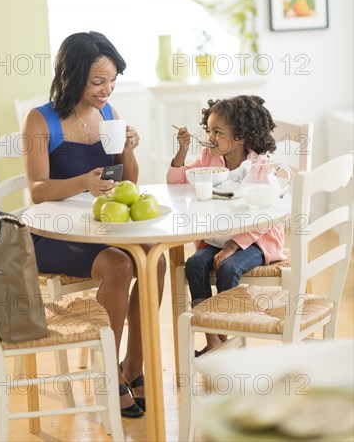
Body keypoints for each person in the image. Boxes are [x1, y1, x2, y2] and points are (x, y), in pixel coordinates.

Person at [23, 31, 166, 418]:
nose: (107, 90)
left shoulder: (108, 114)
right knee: (119, 265)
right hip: (51, 236)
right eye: (98, 82)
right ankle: (107, 372)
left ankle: (133, 367)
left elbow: (129, 183)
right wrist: (83, 183)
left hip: (98, 228)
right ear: (72, 76)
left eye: (113, 80)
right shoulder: (41, 120)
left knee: (157, 257)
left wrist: (129, 148)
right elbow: (36, 190)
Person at [167, 95, 287, 354]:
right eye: (209, 131)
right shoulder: (209, 159)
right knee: (195, 264)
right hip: (219, 236)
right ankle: (213, 336)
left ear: (240, 137)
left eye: (217, 132)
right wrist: (183, 151)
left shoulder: (259, 167)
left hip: (255, 239)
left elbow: (267, 215)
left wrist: (235, 244)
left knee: (228, 268)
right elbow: (176, 182)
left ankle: (227, 332)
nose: (210, 138)